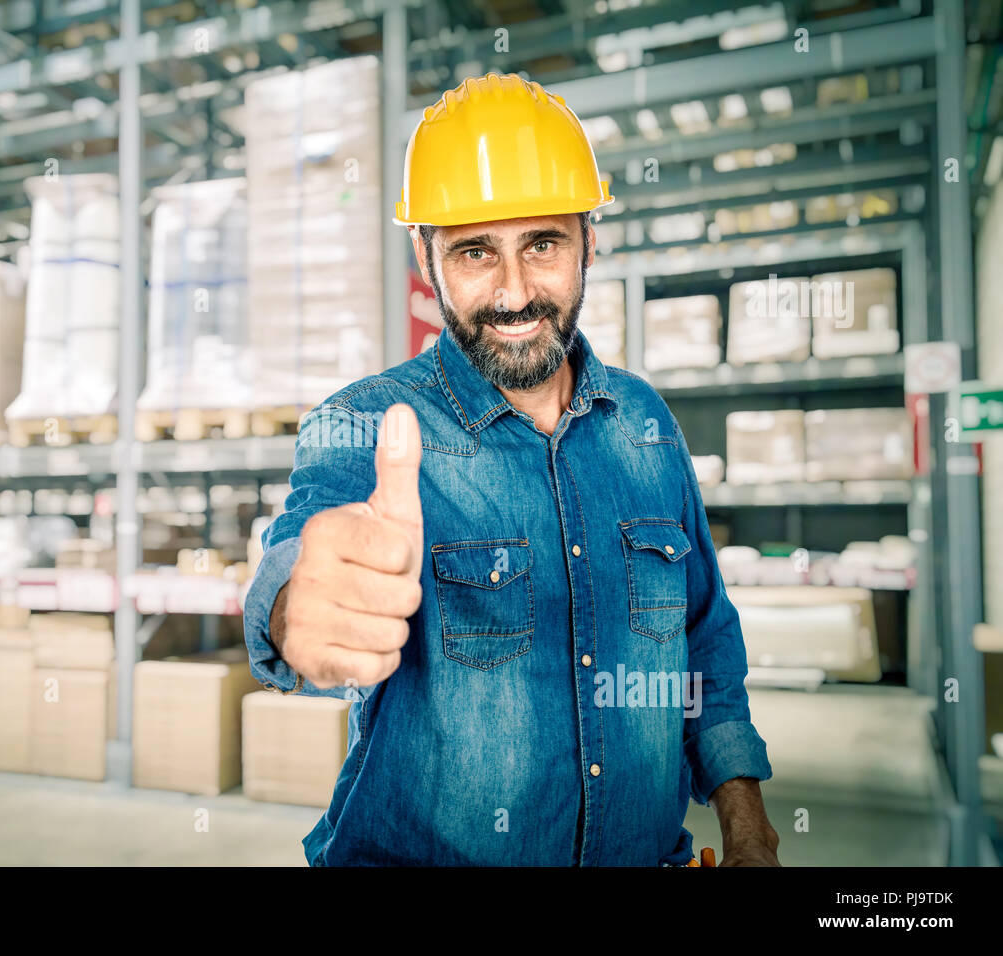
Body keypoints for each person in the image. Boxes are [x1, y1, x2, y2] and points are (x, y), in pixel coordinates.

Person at [242, 72, 778, 866]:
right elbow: (300, 567)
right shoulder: (370, 425)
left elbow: (703, 642)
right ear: (427, 261)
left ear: (590, 241)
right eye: (474, 252)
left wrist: (747, 824)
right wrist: (294, 611)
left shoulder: (646, 425)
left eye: (543, 243)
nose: (516, 291)